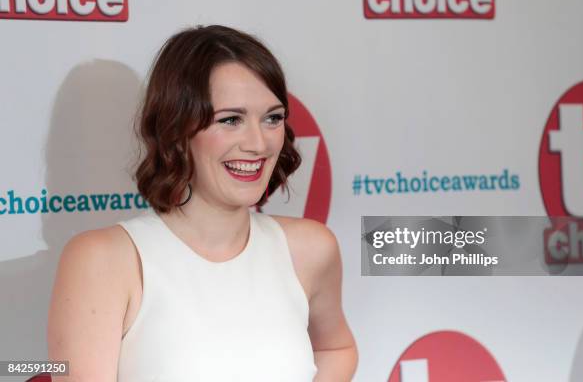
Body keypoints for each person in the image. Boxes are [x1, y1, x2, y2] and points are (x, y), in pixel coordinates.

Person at [47, 25, 358, 381]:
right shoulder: (101, 259)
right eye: (230, 120)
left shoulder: (311, 249)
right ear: (176, 130)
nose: (258, 143)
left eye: (272, 118)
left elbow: (336, 348)